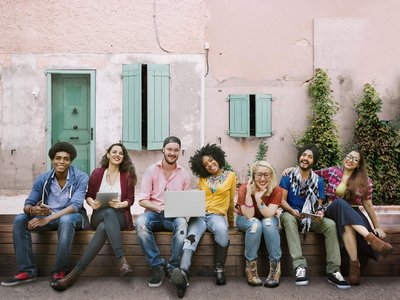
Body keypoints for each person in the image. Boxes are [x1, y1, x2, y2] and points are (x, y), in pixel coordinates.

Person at [1, 142, 89, 287]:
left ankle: (60, 271)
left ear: (71, 161)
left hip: (73, 217)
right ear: (53, 160)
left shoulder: (81, 177)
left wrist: (46, 219)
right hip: (49, 217)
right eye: (58, 158)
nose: (61, 161)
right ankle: (27, 270)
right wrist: (33, 210)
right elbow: (28, 203)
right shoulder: (43, 178)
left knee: (65, 220)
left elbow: (75, 206)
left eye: (66, 159)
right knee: (19, 219)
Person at [52, 143, 137, 291]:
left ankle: (74, 274)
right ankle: (121, 259)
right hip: (99, 214)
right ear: (108, 154)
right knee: (106, 216)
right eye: (114, 152)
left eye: (121, 153)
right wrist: (93, 203)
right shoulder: (97, 173)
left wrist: (120, 204)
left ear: (123, 158)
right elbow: (88, 195)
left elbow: (131, 200)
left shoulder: (127, 175)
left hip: (120, 216)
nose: (117, 155)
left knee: (108, 220)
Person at [314, 150, 393, 285]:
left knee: (348, 224)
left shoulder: (365, 181)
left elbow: (367, 204)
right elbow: (311, 173)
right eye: (349, 156)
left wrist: (377, 226)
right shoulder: (333, 171)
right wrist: (292, 169)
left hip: (353, 214)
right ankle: (372, 240)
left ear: (358, 164)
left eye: (355, 159)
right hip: (332, 209)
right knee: (340, 203)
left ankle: (354, 266)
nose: (350, 160)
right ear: (345, 157)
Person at [279, 144, 350, 289]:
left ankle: (333, 270)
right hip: (293, 215)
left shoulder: (317, 180)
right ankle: (299, 267)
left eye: (310, 157)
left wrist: (319, 212)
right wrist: (292, 210)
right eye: (304, 155)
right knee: (287, 218)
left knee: (330, 224)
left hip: (309, 217)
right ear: (299, 156)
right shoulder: (288, 176)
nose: (305, 158)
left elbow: (319, 204)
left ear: (313, 161)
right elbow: (282, 201)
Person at [171, 143, 236, 298]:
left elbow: (231, 201)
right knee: (190, 238)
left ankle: (219, 269)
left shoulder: (230, 176)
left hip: (216, 216)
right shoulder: (202, 179)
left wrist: (231, 223)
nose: (210, 165)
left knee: (222, 230)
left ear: (218, 158)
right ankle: (183, 274)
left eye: (212, 161)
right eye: (206, 165)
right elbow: (198, 198)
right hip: (199, 215)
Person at [136, 136, 191, 288]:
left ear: (179, 152)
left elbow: (186, 202)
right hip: (154, 213)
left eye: (176, 150)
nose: (172, 153)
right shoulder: (151, 170)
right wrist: (160, 208)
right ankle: (157, 265)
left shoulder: (185, 174)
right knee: (140, 222)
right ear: (163, 150)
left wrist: (185, 209)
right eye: (169, 149)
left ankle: (173, 267)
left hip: (173, 216)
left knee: (182, 225)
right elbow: (142, 200)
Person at [236, 161, 282, 288]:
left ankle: (275, 268)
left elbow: (269, 214)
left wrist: (258, 199)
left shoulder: (276, 190)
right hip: (245, 218)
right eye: (259, 175)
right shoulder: (244, 188)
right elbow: (249, 215)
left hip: (266, 217)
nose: (262, 179)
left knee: (267, 223)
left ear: (271, 175)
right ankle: (250, 267)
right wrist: (250, 196)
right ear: (253, 175)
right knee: (255, 224)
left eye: (266, 175)